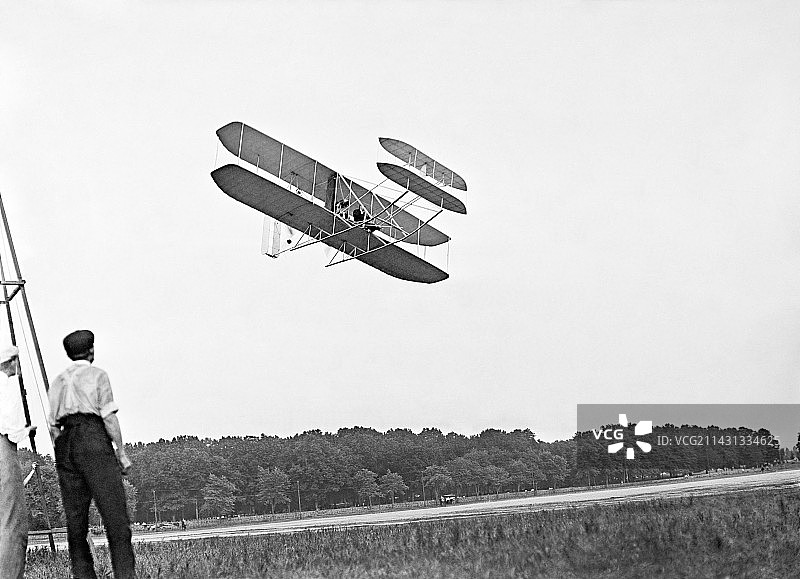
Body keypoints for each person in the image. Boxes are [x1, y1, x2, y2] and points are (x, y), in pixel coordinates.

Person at [49, 330, 136, 579]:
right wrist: (121, 452)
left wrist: (63, 450)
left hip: (66, 442)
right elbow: (108, 416)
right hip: (93, 436)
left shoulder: (58, 381)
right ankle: (125, 575)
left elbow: (53, 425)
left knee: (76, 523)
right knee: (115, 516)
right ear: (91, 351)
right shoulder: (98, 375)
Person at [0, 345, 35, 579]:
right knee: (13, 524)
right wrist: (28, 430)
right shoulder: (6, 384)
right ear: (11, 363)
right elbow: (11, 429)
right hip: (3, 452)